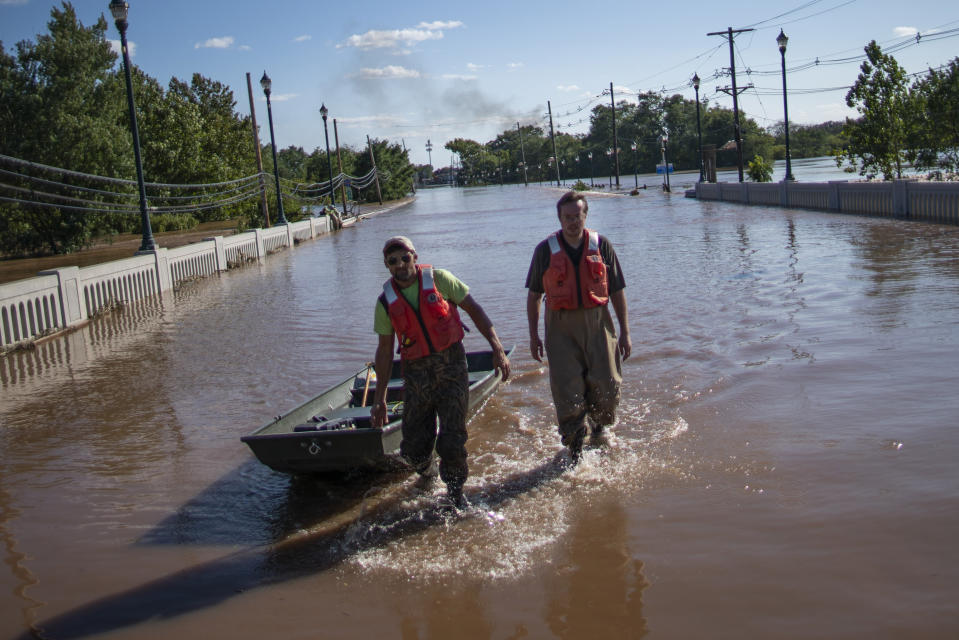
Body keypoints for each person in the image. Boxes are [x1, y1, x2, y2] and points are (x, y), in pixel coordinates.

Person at [370, 236, 510, 508]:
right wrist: (379, 399)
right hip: (417, 376)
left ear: (414, 256)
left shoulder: (440, 279)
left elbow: (474, 308)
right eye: (393, 261)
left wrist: (497, 347)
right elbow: (385, 352)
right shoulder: (385, 303)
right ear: (387, 266)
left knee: (452, 441)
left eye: (405, 258)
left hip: (452, 369)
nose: (400, 265)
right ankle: (428, 471)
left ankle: (455, 496)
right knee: (412, 450)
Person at [526, 191, 631, 465]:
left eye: (577, 216)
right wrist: (534, 335)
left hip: (598, 323)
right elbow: (535, 295)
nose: (573, 222)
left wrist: (625, 333)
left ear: (586, 215)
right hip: (560, 328)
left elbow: (618, 291)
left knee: (608, 386)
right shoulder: (544, 250)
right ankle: (575, 448)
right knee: (567, 391)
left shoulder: (602, 245)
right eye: (567, 217)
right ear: (559, 218)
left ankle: (599, 426)